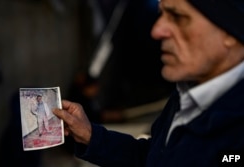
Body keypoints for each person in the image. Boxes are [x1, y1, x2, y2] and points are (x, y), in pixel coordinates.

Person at [53, 0, 244, 166]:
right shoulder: (185, 94)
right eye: (162, 14)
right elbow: (157, 158)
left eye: (178, 17)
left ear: (230, 32)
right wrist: (91, 137)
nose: (157, 30)